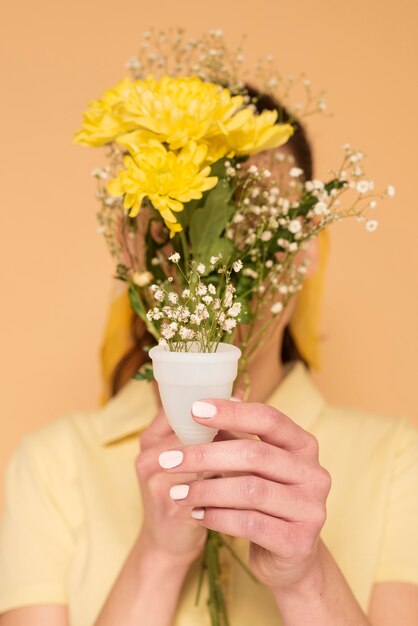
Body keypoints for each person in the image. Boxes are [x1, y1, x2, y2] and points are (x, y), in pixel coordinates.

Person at [0, 94, 417, 626]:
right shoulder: (52, 463)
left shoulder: (399, 458)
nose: (217, 265)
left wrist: (306, 575)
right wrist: (158, 554)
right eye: (188, 230)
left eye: (254, 231)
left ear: (308, 246)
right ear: (135, 250)